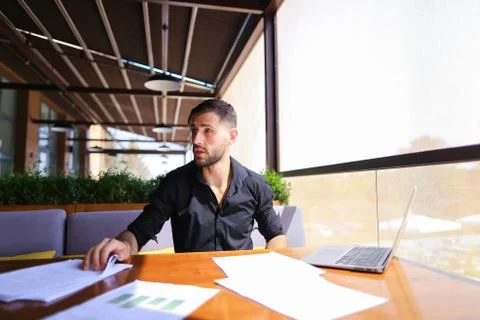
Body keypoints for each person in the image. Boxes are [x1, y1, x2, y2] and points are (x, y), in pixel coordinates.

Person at [82, 99, 287, 271]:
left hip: (241, 281)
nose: (196, 139)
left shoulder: (255, 185)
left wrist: (271, 267)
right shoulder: (174, 183)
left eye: (208, 131)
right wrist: (124, 244)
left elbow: (276, 235)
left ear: (231, 136)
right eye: (194, 130)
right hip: (190, 281)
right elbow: (140, 230)